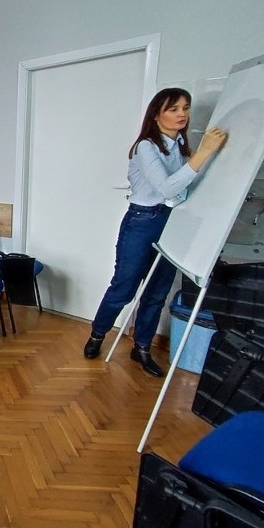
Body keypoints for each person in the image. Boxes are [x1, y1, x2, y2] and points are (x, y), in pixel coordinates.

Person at [83, 88, 228, 377]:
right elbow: (166, 188)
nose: (182, 115)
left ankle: (143, 348)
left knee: (158, 292)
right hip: (141, 221)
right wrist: (205, 153)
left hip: (170, 221)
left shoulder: (181, 147)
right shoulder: (146, 147)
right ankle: (97, 335)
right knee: (124, 287)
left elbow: (183, 190)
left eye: (185, 108)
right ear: (156, 113)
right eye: (173, 109)